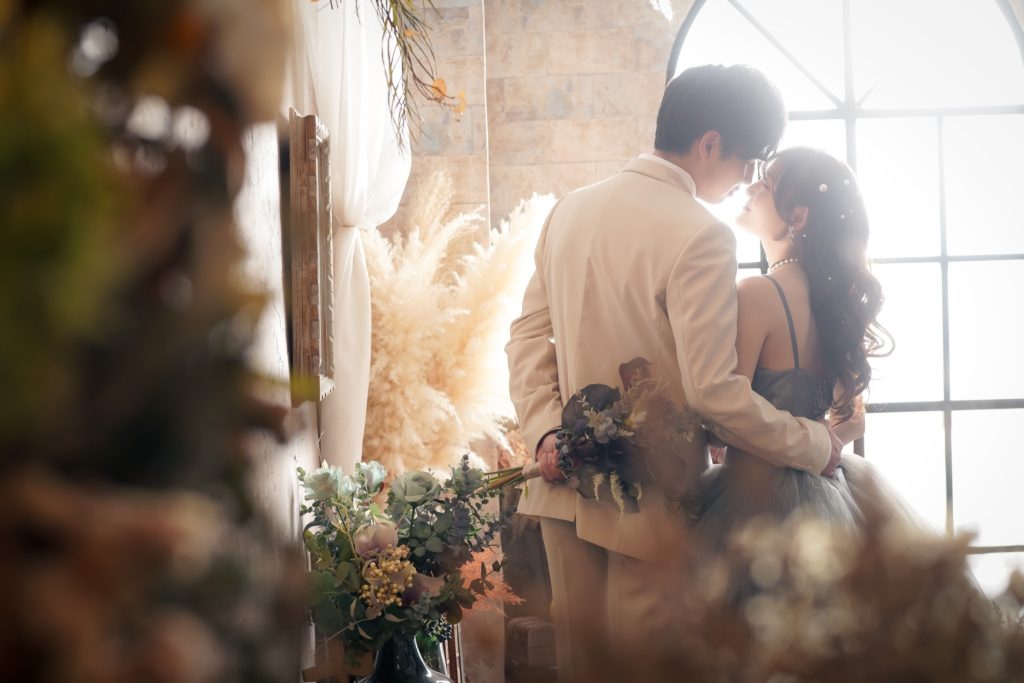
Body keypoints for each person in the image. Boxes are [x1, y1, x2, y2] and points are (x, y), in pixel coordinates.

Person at [505, 65, 843, 681]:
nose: (744, 179)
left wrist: (547, 433)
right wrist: (813, 442)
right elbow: (713, 393)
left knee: (584, 670)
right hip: (648, 500)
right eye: (747, 160)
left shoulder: (568, 210)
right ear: (709, 143)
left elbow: (527, 335)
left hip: (559, 484)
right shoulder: (701, 234)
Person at [694, 146, 915, 603]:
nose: (750, 188)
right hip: (831, 492)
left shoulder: (758, 293)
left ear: (798, 216)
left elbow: (722, 417)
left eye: (766, 183)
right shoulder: (834, 303)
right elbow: (853, 421)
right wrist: (820, 441)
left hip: (752, 501)